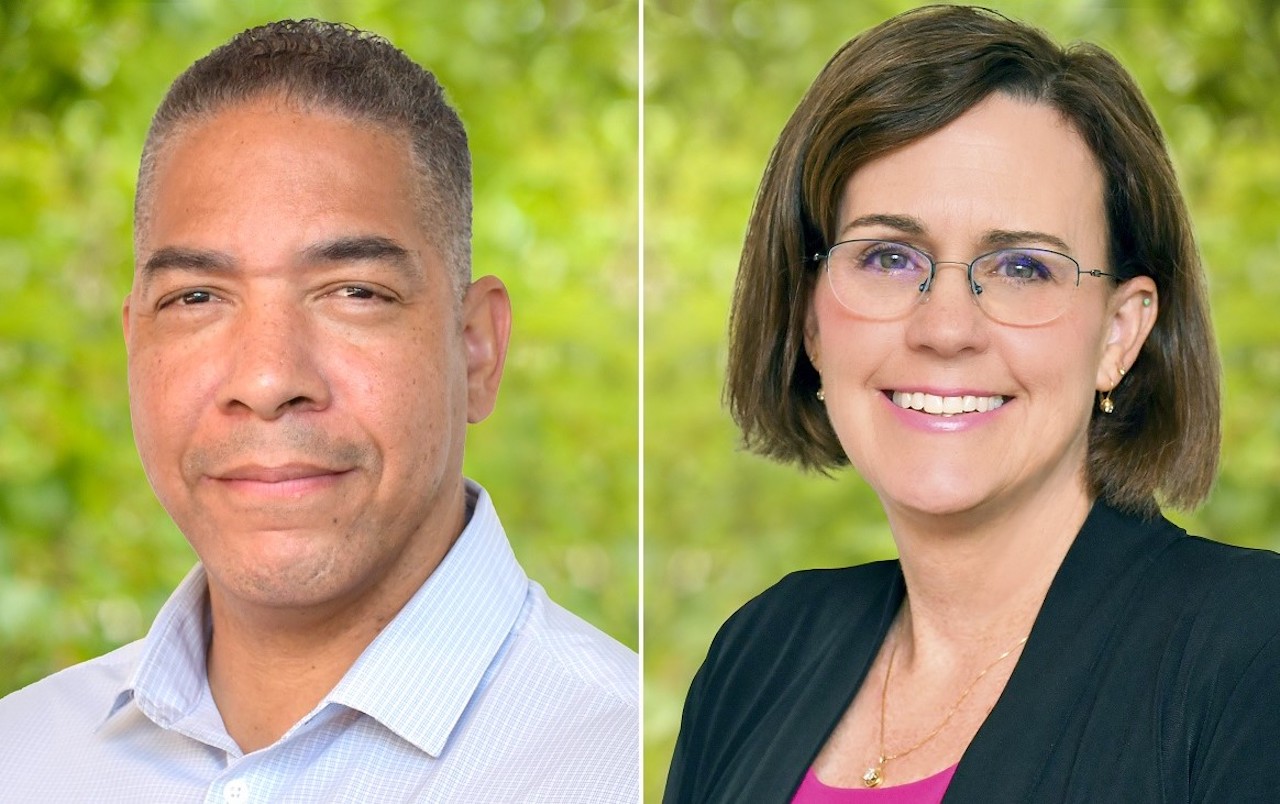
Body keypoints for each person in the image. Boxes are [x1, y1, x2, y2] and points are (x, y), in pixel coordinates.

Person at [0, 19, 637, 802]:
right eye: (196, 298)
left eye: (354, 293)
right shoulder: (21, 758)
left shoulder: (649, 766)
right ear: (135, 346)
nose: (268, 380)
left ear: (475, 349)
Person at [664, 6, 1280, 803]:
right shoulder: (762, 651)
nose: (946, 328)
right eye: (887, 257)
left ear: (1119, 335)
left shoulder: (1252, 653)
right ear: (809, 317)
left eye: (1022, 267)